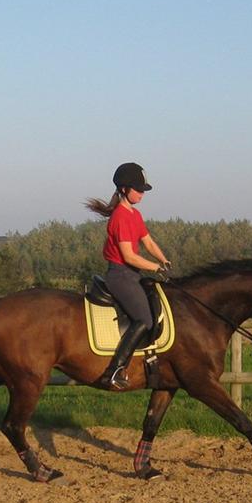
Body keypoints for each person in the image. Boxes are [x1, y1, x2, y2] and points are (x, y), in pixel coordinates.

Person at [84, 161, 171, 390]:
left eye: (143, 190)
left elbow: (148, 242)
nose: (142, 194)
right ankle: (115, 370)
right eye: (138, 189)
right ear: (124, 189)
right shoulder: (120, 217)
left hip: (132, 275)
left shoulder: (135, 214)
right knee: (145, 319)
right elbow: (129, 256)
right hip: (120, 275)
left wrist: (163, 259)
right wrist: (155, 268)